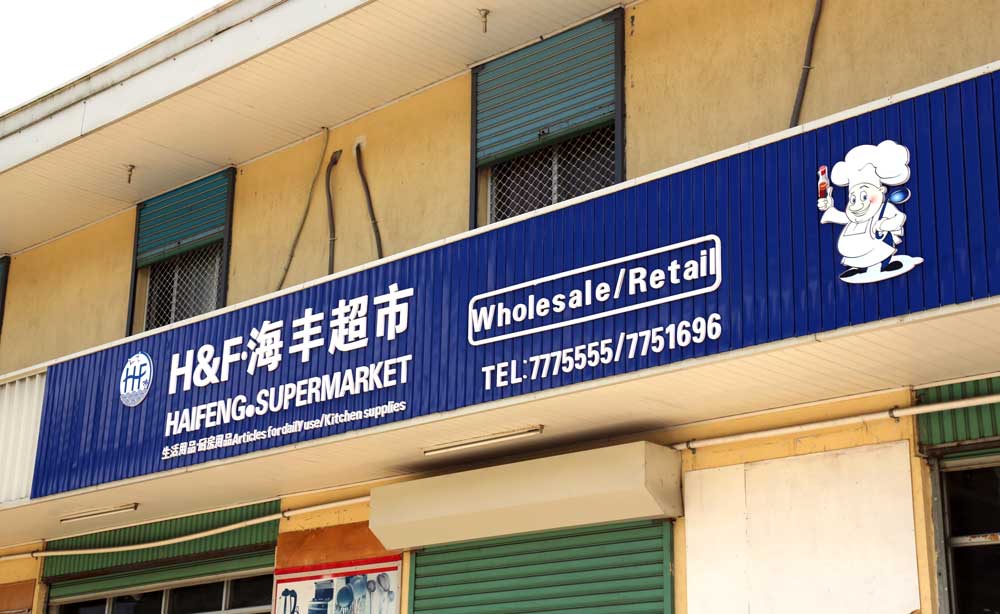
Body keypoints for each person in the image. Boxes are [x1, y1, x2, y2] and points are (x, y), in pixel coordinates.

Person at [817, 140, 917, 281]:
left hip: (879, 241)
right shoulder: (854, 217)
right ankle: (859, 268)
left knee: (882, 248)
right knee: (858, 256)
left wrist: (883, 225)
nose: (857, 204)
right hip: (857, 248)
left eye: (864, 196)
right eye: (853, 199)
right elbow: (840, 217)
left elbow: (898, 217)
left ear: (881, 190)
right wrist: (828, 208)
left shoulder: (884, 207)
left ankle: (885, 264)